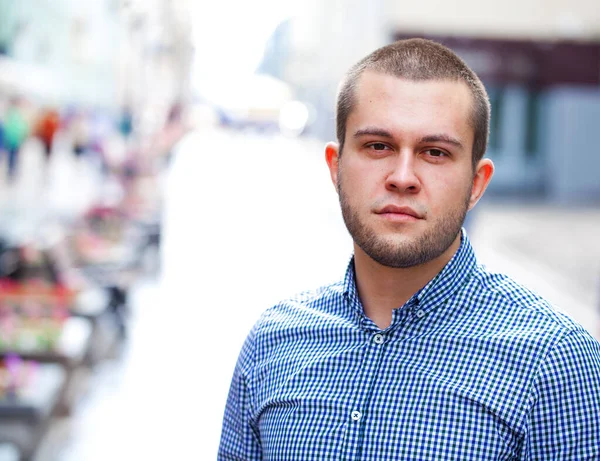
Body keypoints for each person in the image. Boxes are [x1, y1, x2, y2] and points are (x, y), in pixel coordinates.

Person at [218, 39, 600, 460]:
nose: (403, 177)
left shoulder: (555, 362)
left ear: (476, 184)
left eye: (434, 152)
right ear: (335, 167)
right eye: (378, 146)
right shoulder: (271, 344)